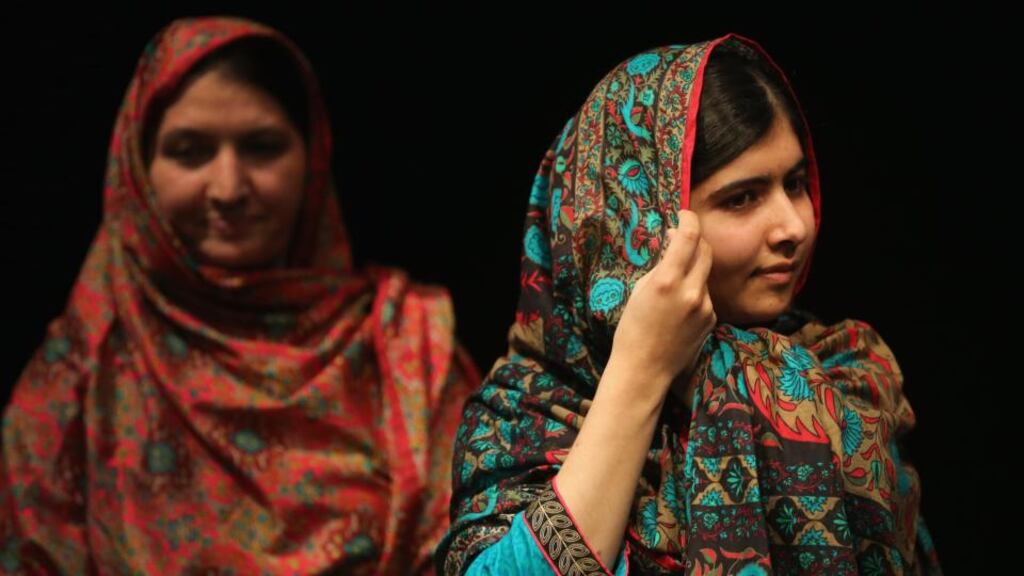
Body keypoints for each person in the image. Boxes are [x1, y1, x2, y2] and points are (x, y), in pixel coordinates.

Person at [438, 34, 940, 575]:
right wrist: (641, 371)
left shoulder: (840, 374)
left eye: (794, 184)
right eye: (741, 198)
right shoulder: (528, 416)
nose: (794, 226)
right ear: (636, 220)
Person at [1, 16, 478, 574]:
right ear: (137, 168)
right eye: (189, 151)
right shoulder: (77, 377)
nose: (228, 187)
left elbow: (467, 547)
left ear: (313, 158)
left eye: (262, 147)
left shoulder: (402, 344)